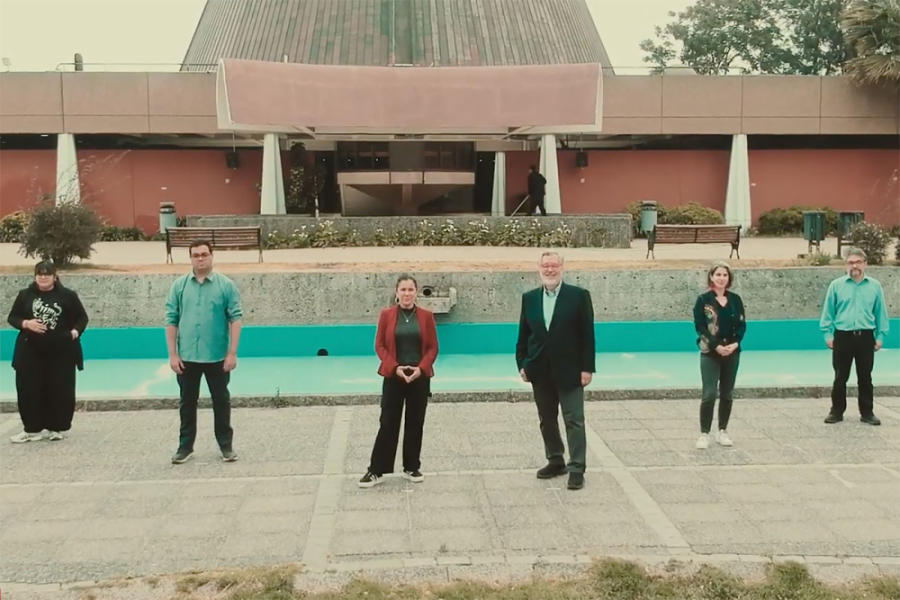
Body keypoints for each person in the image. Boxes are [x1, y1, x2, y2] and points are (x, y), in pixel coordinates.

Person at [516, 252, 595, 490]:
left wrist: (587, 368)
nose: (549, 269)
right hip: (540, 370)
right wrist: (522, 363)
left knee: (574, 420)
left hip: (571, 371)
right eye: (545, 265)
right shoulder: (529, 298)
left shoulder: (579, 296)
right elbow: (523, 334)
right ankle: (555, 460)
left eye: (554, 265)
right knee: (547, 420)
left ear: (562, 267)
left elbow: (587, 336)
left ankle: (577, 467)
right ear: (538, 268)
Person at [165, 240, 243, 464]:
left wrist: (232, 353)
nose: (200, 259)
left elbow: (235, 318)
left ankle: (226, 446)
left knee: (221, 400)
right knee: (187, 402)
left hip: (217, 356)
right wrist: (173, 354)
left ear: (212, 256)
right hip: (187, 356)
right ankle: (185, 446)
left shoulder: (226, 285)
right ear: (190, 258)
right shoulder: (179, 286)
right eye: (196, 255)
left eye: (204, 254)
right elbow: (171, 320)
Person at [359, 274, 439, 488]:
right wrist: (395, 368)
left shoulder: (426, 316)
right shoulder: (386, 315)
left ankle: (411, 466)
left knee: (415, 423)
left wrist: (420, 369)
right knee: (387, 423)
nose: (406, 294)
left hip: (418, 378)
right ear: (396, 292)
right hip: (394, 376)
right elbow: (380, 346)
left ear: (416, 292)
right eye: (403, 290)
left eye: (410, 289)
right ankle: (376, 470)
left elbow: (432, 347)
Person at [6, 260, 88, 443]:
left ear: (55, 276)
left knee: (60, 389)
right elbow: (12, 317)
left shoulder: (68, 296)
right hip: (30, 352)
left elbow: (82, 318)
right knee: (29, 389)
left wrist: (75, 332)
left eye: (47, 274)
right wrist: (27, 324)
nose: (43, 277)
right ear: (35, 276)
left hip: (61, 352)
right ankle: (32, 429)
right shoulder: (24, 295)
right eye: (40, 274)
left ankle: (57, 427)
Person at [820, 248, 889, 426]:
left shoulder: (874, 286)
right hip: (842, 336)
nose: (854, 266)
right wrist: (828, 334)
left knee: (865, 376)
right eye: (850, 262)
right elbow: (828, 312)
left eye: (858, 262)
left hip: (866, 336)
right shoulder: (836, 286)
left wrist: (880, 336)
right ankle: (836, 412)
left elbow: (881, 312)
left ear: (865, 264)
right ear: (845, 265)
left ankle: (867, 412)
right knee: (840, 376)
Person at [693, 261, 746, 450]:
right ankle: (704, 433)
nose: (721, 278)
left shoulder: (735, 300)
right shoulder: (703, 300)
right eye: (718, 275)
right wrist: (715, 346)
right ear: (711, 277)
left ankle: (722, 430)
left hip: (732, 352)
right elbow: (700, 326)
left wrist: (735, 343)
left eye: (725, 275)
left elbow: (741, 324)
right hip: (710, 353)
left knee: (727, 393)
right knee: (709, 394)